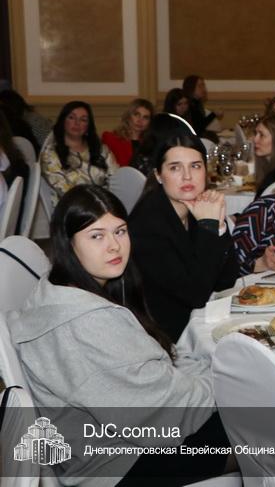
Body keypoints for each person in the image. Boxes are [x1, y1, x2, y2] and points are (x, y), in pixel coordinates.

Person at [9, 185, 233, 485]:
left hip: (116, 443)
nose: (114, 246)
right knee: (268, 433)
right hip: (119, 464)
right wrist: (225, 382)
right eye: (96, 236)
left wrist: (205, 373)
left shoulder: (60, 289)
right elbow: (164, 416)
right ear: (68, 243)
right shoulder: (85, 323)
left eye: (120, 231)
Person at [129, 131, 238, 341]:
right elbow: (196, 294)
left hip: (197, 323)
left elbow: (227, 280)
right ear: (158, 175)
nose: (187, 176)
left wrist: (219, 226)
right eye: (175, 167)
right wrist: (209, 226)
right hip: (165, 338)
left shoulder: (196, 208)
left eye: (195, 166)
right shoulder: (146, 227)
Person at [40, 101, 118, 205]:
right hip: (71, 207)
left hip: (105, 205)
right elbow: (61, 188)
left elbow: (116, 180)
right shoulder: (50, 153)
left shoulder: (101, 150)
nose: (77, 123)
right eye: (71, 118)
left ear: (88, 125)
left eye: (83, 119)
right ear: (63, 121)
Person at [102, 98, 154, 167]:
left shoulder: (151, 143)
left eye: (145, 117)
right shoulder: (110, 139)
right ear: (128, 116)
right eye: (136, 114)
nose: (140, 120)